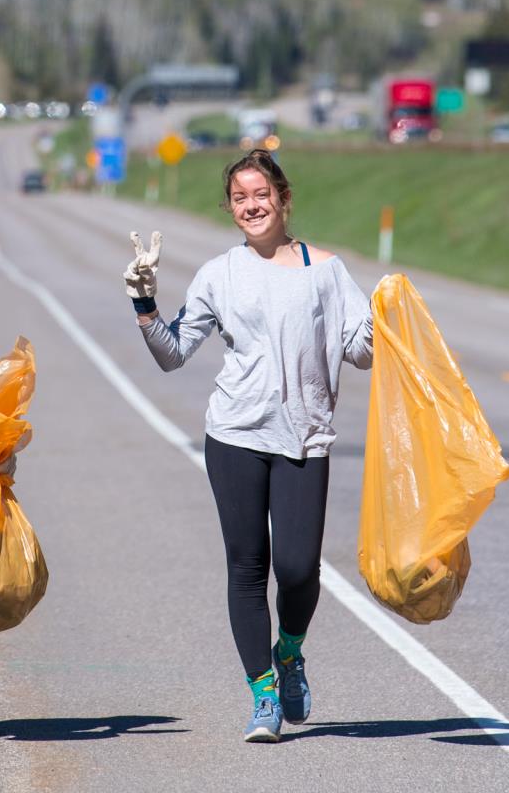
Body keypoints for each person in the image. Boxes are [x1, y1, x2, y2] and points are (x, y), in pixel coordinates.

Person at [126, 149, 374, 742]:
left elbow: (361, 353)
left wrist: (384, 313)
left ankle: (289, 651)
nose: (251, 206)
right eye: (239, 197)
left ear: (283, 198)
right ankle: (263, 694)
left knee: (297, 567)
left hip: (305, 437)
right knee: (247, 567)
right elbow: (172, 354)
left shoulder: (327, 272)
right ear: (231, 207)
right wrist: (143, 300)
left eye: (260, 193)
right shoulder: (219, 274)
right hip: (234, 435)